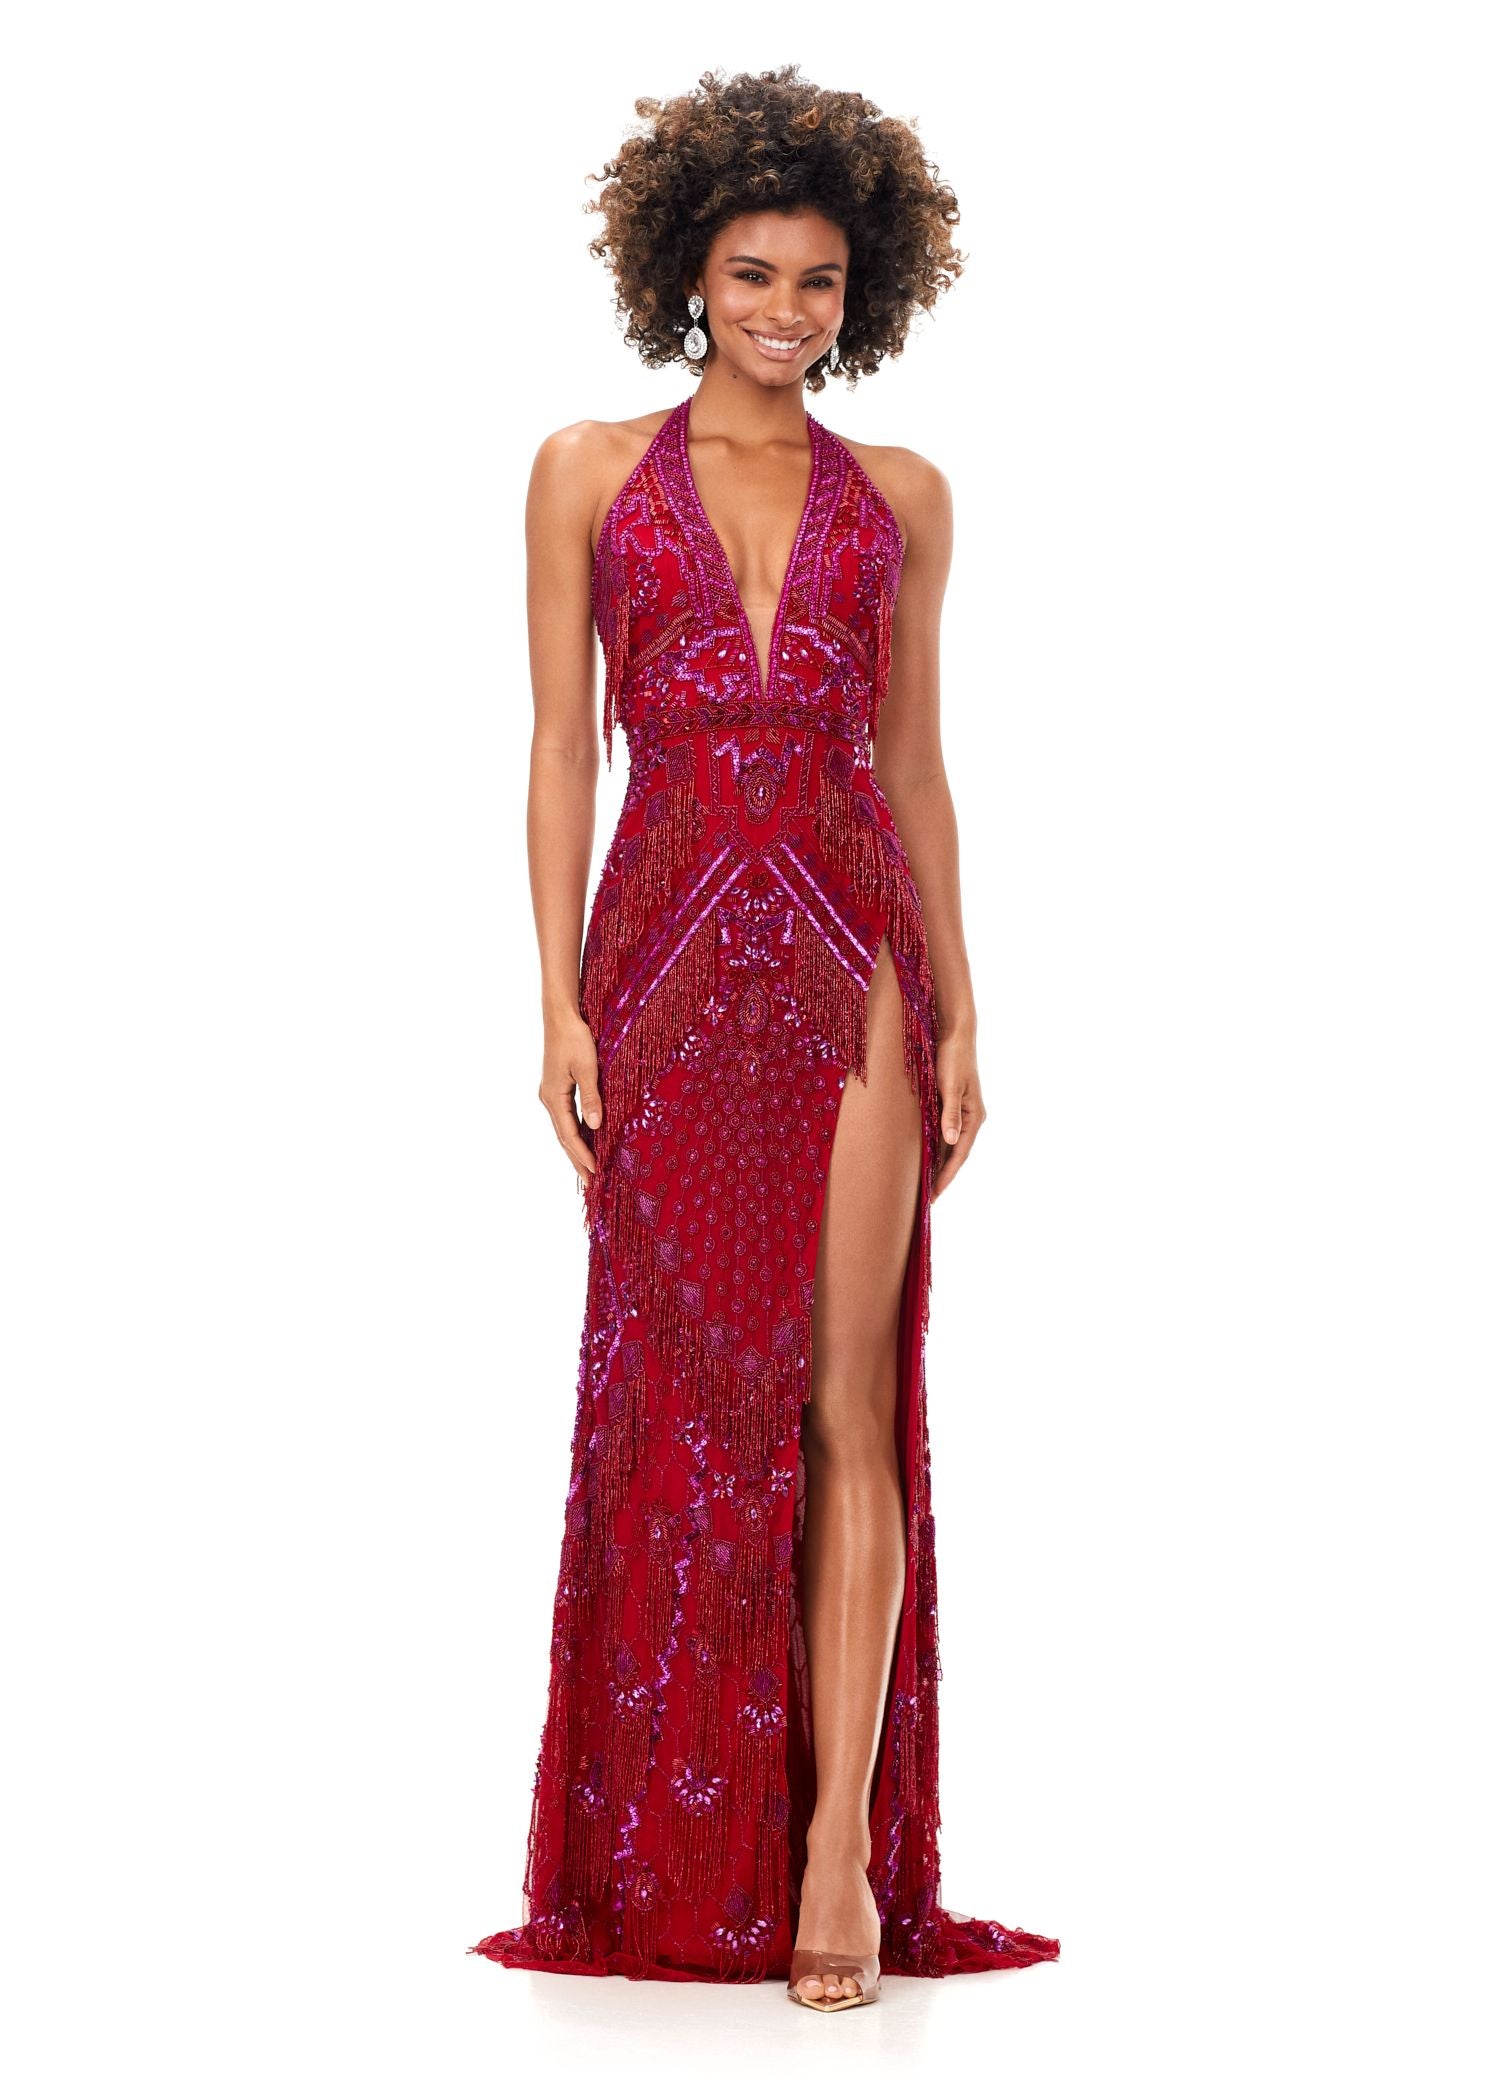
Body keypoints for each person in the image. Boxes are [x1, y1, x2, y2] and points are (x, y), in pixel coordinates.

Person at [469, 64, 1059, 2011]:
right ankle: (676, 1838)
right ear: (686, 273)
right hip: (656, 960)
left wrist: (961, 1005)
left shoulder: (905, 499)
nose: (784, 311)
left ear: (861, 288)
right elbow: (561, 749)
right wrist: (553, 995)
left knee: (845, 1402)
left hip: (852, 954)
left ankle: (831, 1859)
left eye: (818, 279)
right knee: (680, 1396)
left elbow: (917, 764)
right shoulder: (580, 469)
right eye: (751, 273)